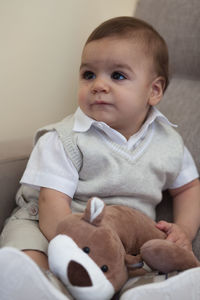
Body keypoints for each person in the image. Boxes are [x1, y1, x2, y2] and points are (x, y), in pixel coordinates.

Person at [0, 16, 200, 300]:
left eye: (117, 75)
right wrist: (74, 247)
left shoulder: (170, 143)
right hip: (52, 226)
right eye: (89, 74)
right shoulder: (65, 138)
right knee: (30, 254)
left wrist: (184, 231)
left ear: (153, 90)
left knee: (150, 269)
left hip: (123, 245)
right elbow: (51, 203)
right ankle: (40, 287)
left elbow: (189, 187)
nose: (98, 85)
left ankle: (147, 293)